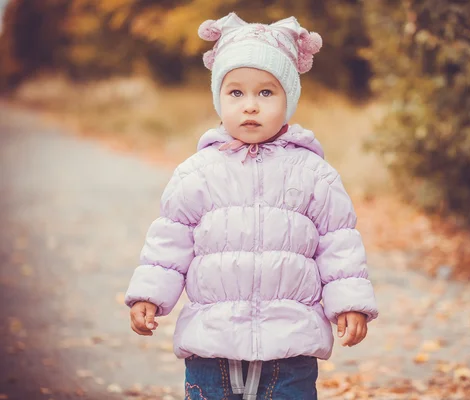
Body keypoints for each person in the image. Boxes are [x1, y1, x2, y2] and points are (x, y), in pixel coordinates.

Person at [124, 12, 378, 400]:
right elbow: (169, 241)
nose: (250, 106)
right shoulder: (198, 172)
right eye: (236, 93)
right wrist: (149, 295)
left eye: (266, 92)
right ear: (218, 98)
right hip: (213, 347)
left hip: (290, 349)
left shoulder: (313, 172)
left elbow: (337, 241)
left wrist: (350, 304)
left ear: (289, 98)